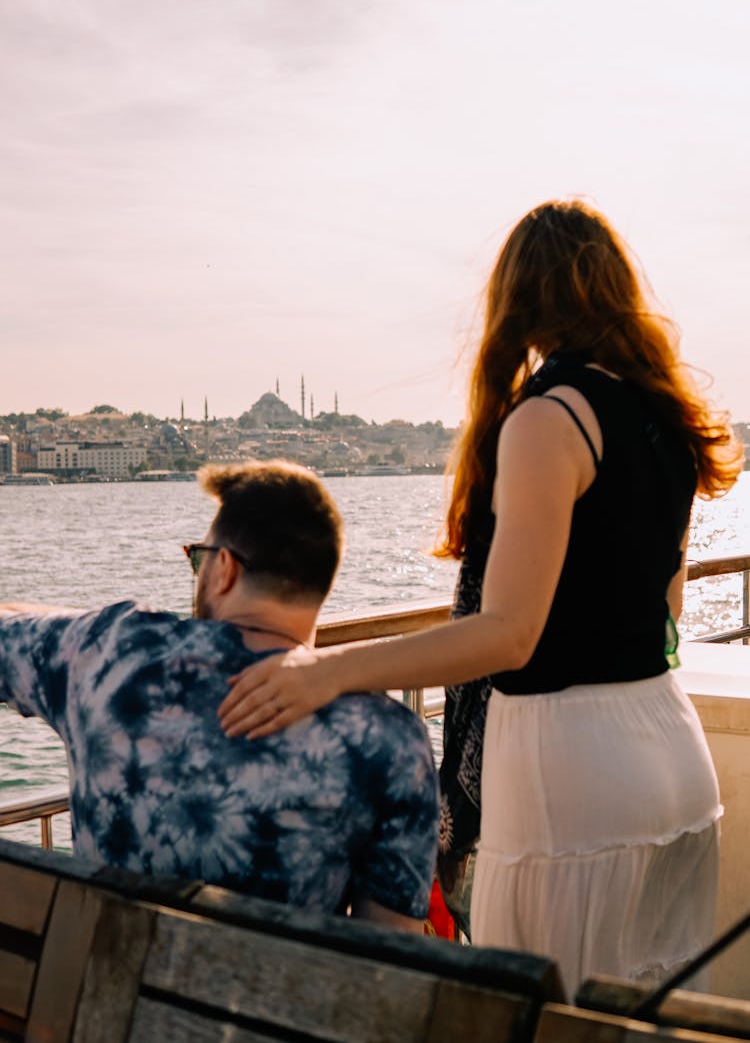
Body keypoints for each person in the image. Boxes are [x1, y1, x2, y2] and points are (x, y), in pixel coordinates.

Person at [218, 201, 742, 993]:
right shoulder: (663, 416)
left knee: (544, 1014)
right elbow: (665, 607)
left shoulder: (547, 417)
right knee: (654, 1017)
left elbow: (509, 634)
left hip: (575, 768)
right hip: (669, 750)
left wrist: (324, 671)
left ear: (519, 300)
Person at [0, 460, 439, 932]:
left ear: (224, 568)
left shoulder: (102, 653)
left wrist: (90, 624)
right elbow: (391, 948)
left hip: (100, 995)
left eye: (198, 558)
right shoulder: (390, 738)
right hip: (273, 1003)